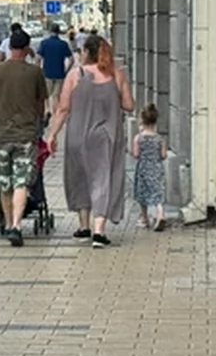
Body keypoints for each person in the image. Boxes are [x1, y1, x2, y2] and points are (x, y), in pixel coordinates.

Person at [46, 35, 134, 248]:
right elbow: (129, 105)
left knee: (80, 178)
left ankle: (83, 226)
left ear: (85, 52)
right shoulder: (116, 75)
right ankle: (99, 230)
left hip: (77, 135)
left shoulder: (76, 75)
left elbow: (63, 108)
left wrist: (52, 134)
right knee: (103, 179)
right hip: (106, 137)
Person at [0, 30, 48, 247]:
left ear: (10, 47)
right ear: (28, 48)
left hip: (0, 134)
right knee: (21, 182)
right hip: (26, 134)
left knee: (4, 184)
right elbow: (41, 104)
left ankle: (9, 223)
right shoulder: (35, 73)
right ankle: (17, 226)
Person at [132, 103, 168, 232]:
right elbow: (163, 155)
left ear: (142, 121)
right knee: (158, 192)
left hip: (143, 168)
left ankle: (145, 218)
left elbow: (136, 154)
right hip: (157, 168)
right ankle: (160, 214)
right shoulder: (160, 139)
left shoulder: (138, 138)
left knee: (142, 193)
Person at [36, 23, 73, 117]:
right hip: (60, 73)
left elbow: (38, 59)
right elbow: (71, 59)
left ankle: (47, 111)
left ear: (49, 31)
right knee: (56, 95)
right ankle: (56, 114)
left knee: (46, 95)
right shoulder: (63, 44)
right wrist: (67, 70)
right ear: (59, 32)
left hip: (47, 72)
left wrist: (38, 70)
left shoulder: (44, 43)